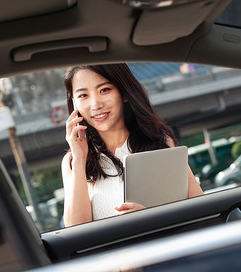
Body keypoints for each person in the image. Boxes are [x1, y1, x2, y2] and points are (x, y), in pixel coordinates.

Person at [61, 64, 203, 227]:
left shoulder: (160, 144)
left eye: (104, 90)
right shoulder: (72, 162)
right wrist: (80, 158)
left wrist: (150, 218)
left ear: (124, 93)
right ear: (74, 103)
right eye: (83, 95)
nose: (95, 104)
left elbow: (199, 210)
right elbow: (75, 231)